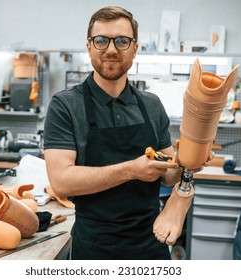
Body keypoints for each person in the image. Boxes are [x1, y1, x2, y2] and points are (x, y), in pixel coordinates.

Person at [44, 6, 212, 260]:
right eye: (101, 40)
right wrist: (131, 170)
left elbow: (167, 176)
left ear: (135, 48)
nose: (111, 49)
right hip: (94, 247)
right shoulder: (66, 105)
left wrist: (188, 162)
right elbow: (61, 182)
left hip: (151, 243)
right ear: (89, 47)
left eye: (122, 41)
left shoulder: (152, 105)